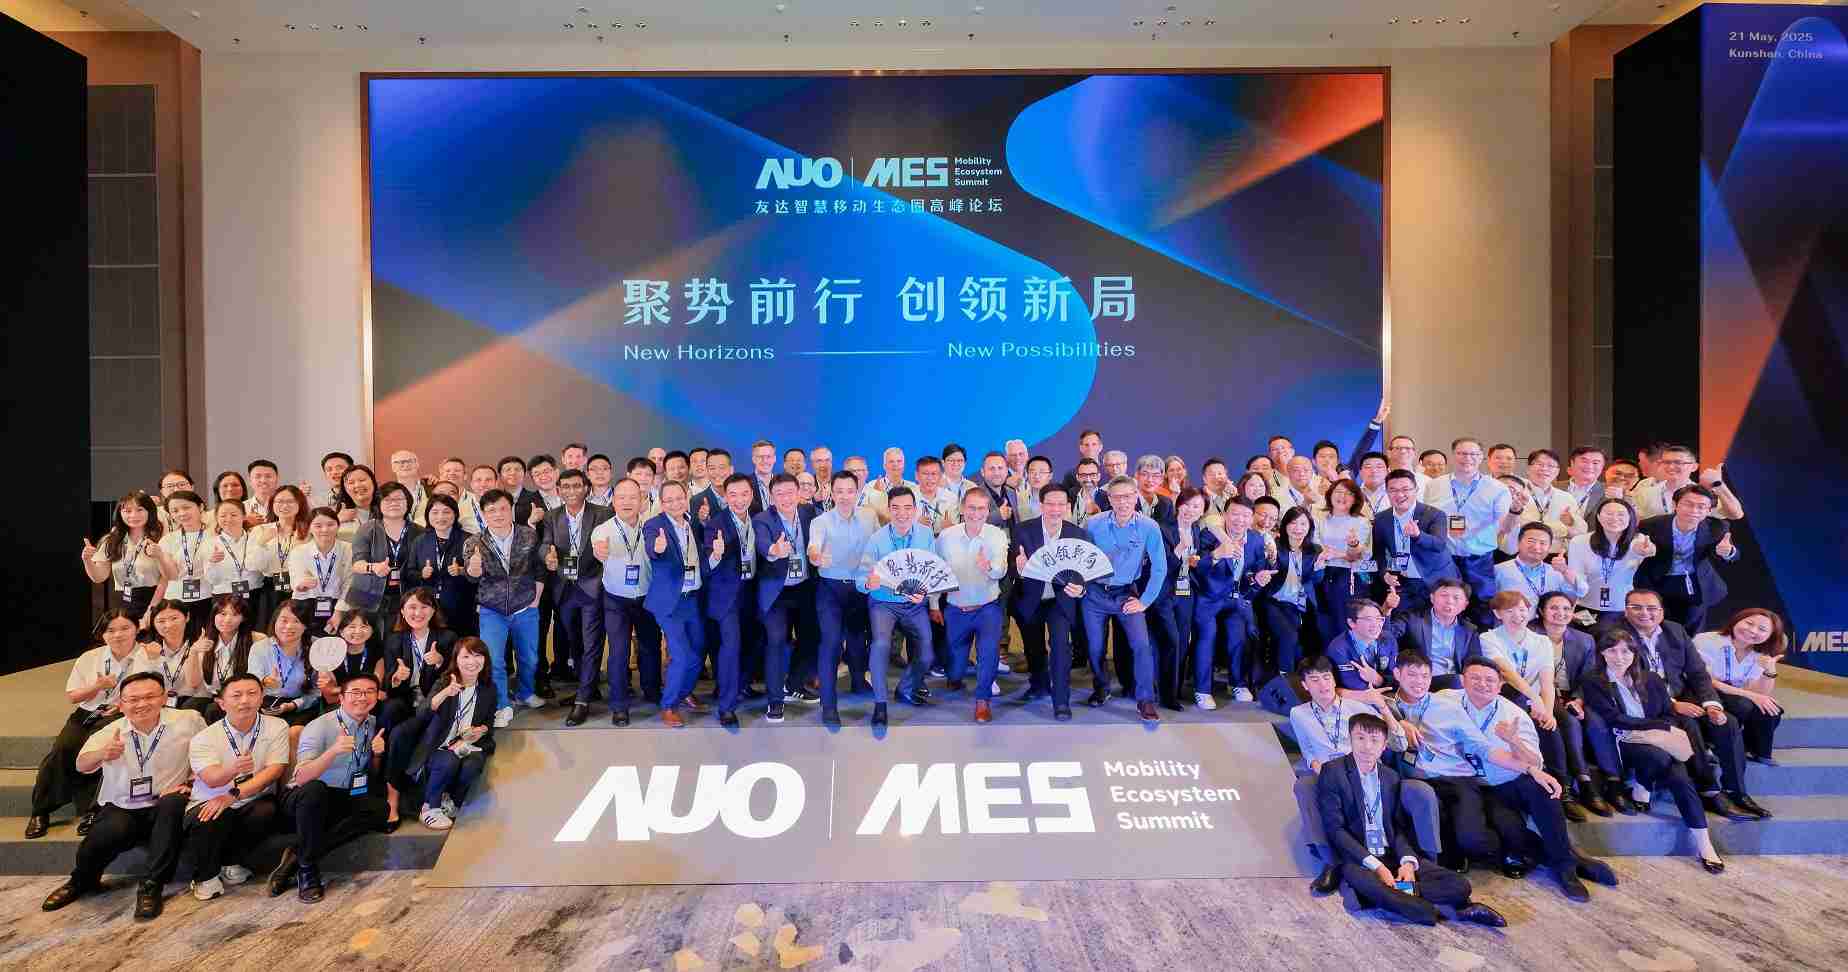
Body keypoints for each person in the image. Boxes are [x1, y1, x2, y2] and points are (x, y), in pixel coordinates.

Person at [1410, 658, 1618, 901]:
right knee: (1511, 831)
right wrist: (1403, 722)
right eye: (1475, 678)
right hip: (1473, 785)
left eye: (1490, 680)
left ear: (1500, 685)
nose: (1482, 684)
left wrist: (1513, 741)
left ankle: (1566, 868)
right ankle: (1574, 859)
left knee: (1543, 789)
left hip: (1508, 780)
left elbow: (1534, 761)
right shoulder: (1445, 699)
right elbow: (1411, 704)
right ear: (1463, 680)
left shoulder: (1513, 714)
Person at [39, 672, 205, 920]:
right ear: (121, 703)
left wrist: (191, 783)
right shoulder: (112, 731)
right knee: (109, 832)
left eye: (150, 697)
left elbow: (206, 752)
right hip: (124, 805)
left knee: (172, 805)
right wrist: (102, 754)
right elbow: (81, 765)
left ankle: (151, 886)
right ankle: (81, 880)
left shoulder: (188, 720)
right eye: (133, 699)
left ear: (164, 698)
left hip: (166, 800)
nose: (142, 704)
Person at [1314, 713, 1505, 926]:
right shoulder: (1333, 771)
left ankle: (1387, 897)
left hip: (1391, 853)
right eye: (1360, 738)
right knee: (1370, 884)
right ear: (1350, 739)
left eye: (1374, 740)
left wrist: (1406, 862)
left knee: (1460, 885)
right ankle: (1445, 910)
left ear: (1384, 746)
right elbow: (1336, 829)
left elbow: (1397, 828)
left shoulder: (1390, 777)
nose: (1367, 746)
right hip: (1359, 857)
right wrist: (1377, 867)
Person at [1608, 588, 1768, 819]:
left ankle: (1737, 792)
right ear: (1626, 611)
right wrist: (1671, 704)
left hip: (1682, 695)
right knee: (1687, 723)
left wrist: (1712, 705)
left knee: (1727, 723)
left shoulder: (1675, 630)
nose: (1645, 613)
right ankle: (1709, 791)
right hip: (1645, 702)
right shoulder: (1615, 633)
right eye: (1637, 607)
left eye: (1652, 608)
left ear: (1661, 611)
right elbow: (1627, 678)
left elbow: (1697, 673)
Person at [1579, 629, 1726, 873]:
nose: (1619, 657)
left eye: (1625, 651)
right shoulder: (1593, 681)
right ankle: (1644, 784)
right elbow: (1614, 718)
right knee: (1659, 757)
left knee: (1679, 777)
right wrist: (1657, 726)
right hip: (1623, 739)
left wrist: (1660, 727)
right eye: (1612, 651)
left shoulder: (1652, 679)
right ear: (1602, 653)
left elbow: (1668, 712)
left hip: (1656, 738)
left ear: (1634, 653)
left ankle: (1704, 844)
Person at [1286, 659, 1425, 892]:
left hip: (1365, 771)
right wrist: (1323, 771)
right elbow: (1308, 751)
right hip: (1329, 774)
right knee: (1305, 785)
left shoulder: (1357, 707)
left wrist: (1383, 709)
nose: (1323, 685)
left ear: (1334, 680)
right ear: (1305, 685)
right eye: (1315, 680)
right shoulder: (1298, 713)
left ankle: (1405, 860)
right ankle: (1331, 861)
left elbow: (1399, 744)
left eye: (1327, 677)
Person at [26, 611, 158, 839]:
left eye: (125, 628)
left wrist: (122, 705)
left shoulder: (147, 655)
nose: (118, 635)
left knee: (104, 750)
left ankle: (94, 811)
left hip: (124, 714)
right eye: (111, 630)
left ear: (137, 629)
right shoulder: (90, 658)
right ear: (102, 634)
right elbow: (73, 696)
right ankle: (40, 810)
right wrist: (97, 686)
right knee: (63, 748)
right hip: (88, 712)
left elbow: (154, 690)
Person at [272, 671, 390, 903]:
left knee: (380, 809)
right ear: (341, 697)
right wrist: (333, 751)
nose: (362, 697)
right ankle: (307, 869)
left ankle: (297, 855)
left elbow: (368, 771)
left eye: (369, 692)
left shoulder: (372, 723)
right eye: (355, 692)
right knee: (315, 790)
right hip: (303, 797)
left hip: (342, 793)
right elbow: (302, 777)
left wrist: (377, 755)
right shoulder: (320, 726)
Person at [183, 672, 290, 901]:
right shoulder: (204, 738)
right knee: (210, 814)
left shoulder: (277, 726)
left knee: (266, 810)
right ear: (221, 703)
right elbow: (212, 779)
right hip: (211, 798)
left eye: (252, 693)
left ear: (261, 697)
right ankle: (205, 876)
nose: (245, 700)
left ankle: (231, 862)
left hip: (251, 797)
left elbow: (275, 769)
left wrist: (235, 795)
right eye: (236, 695)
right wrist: (233, 769)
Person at [1476, 590, 1578, 817]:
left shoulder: (1541, 641)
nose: (1518, 615)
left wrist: (1547, 711)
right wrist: (1535, 700)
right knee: (1528, 711)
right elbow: (1507, 673)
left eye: (1522, 610)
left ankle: (1562, 788)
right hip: (1506, 696)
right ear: (1497, 614)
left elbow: (1547, 680)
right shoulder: (1489, 638)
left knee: (1552, 725)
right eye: (1509, 611)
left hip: (1537, 698)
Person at [1079, 476, 1169, 722]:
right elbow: (1081, 558)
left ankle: (1145, 699)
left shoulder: (1149, 526)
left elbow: (1160, 567)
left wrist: (1145, 601)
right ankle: (1101, 687)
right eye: (1117, 497)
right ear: (1109, 499)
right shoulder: (1093, 523)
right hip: (1095, 593)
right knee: (1095, 647)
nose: (1123, 502)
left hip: (1126, 594)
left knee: (1141, 645)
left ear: (1136, 497)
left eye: (1128, 496)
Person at [855, 486, 938, 726]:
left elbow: (932, 572)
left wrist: (924, 593)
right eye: (896, 508)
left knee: (927, 653)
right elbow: (861, 578)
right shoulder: (877, 539)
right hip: (883, 603)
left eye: (907, 508)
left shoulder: (926, 535)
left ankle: (906, 687)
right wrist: (868, 583)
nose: (902, 514)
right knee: (880, 644)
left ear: (915, 509)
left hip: (914, 605)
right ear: (889, 510)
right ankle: (880, 704)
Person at [464, 488, 545, 728]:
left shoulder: (528, 535)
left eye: (503, 509)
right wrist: (474, 569)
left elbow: (539, 569)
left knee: (530, 657)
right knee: (494, 660)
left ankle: (525, 692)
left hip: (525, 606)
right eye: (491, 510)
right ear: (483, 513)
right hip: (492, 609)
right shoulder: (474, 542)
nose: (498, 514)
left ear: (511, 510)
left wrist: (536, 599)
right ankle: (502, 705)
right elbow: (470, 577)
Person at [586, 477, 664, 726]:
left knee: (650, 646)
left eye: (633, 497)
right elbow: (598, 549)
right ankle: (619, 705)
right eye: (621, 497)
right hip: (616, 600)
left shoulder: (652, 527)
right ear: (613, 501)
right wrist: (600, 551)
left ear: (642, 501)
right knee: (619, 652)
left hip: (647, 597)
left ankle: (652, 691)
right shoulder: (603, 530)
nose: (627, 502)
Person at [1010, 483, 1089, 720]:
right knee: (1033, 647)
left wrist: (1081, 588)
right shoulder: (1023, 530)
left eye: (1060, 504)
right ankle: (1039, 684)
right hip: (1030, 597)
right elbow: (1011, 568)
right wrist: (1019, 569)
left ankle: (1061, 701)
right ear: (1041, 505)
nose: (1055, 509)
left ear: (1068, 507)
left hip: (1060, 600)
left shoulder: (1077, 534)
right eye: (1050, 504)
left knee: (1060, 646)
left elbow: (1084, 570)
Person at [541, 469, 612, 719]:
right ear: (558, 490)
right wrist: (547, 556)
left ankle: (582, 700)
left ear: (586, 488)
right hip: (564, 587)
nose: (571, 491)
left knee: (592, 642)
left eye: (576, 486)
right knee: (575, 642)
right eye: (566, 487)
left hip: (592, 586)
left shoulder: (603, 513)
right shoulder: (551, 516)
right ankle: (588, 688)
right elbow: (545, 543)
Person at [934, 488, 1010, 722]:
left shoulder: (996, 535)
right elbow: (936, 571)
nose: (976, 513)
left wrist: (988, 567)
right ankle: (955, 677)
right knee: (956, 665)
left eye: (981, 509)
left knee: (989, 652)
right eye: (971, 508)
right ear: (962, 509)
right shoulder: (946, 537)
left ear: (988, 511)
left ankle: (982, 700)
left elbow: (1001, 569)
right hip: (956, 609)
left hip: (988, 607)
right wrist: (934, 604)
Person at [406, 637, 497, 831]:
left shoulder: (488, 688)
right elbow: (422, 713)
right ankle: (429, 808)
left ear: (485, 660)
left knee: (473, 763)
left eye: (478, 656)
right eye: (466, 656)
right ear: (456, 660)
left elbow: (488, 723)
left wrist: (480, 731)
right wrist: (446, 693)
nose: (472, 662)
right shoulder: (445, 682)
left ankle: (452, 802)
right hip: (439, 746)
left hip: (466, 745)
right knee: (449, 760)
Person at [1534, 591, 1611, 816]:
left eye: (1566, 608)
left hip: (1571, 695)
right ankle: (1582, 781)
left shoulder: (1584, 639)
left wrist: (1579, 699)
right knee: (1568, 722)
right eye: (1554, 608)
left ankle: (1611, 781)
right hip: (1540, 694)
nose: (1561, 613)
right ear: (1541, 611)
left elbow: (1589, 676)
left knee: (1592, 718)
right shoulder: (1530, 634)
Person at [810, 471, 878, 723]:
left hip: (860, 588)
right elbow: (813, 547)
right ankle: (828, 705)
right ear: (831, 492)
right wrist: (817, 556)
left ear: (857, 492)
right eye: (839, 491)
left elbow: (879, 545)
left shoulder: (869, 517)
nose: (845, 496)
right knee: (830, 643)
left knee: (858, 640)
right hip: (830, 589)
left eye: (850, 491)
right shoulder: (821, 522)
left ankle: (858, 681)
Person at [1423, 438, 1516, 624]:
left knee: (1483, 609)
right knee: (1443, 607)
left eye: (1473, 454)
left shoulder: (1497, 488)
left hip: (1479, 558)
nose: (1468, 458)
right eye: (1462, 453)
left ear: (1481, 457)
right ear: (1453, 455)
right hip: (1444, 557)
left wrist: (1476, 532)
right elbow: (1427, 519)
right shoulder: (1434, 486)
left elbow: (1504, 526)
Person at [754, 473, 823, 720]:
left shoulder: (809, 513)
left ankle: (793, 684)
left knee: (812, 637)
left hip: (804, 588)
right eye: (779, 494)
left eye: (790, 492)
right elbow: (762, 544)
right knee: (776, 642)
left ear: (799, 493)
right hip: (777, 592)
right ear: (772, 497)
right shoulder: (762, 519)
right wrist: (775, 550)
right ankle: (775, 700)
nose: (785, 498)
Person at [643, 480, 710, 728]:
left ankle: (683, 692)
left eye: (679, 498)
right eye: (669, 500)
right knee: (681, 655)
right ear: (662, 503)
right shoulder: (654, 525)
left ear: (686, 498)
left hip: (692, 599)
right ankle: (669, 705)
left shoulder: (692, 523)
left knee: (698, 653)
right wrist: (657, 548)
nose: (675, 504)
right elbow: (652, 547)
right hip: (668, 603)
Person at [693, 474, 757, 728]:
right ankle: (727, 706)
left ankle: (740, 686)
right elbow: (706, 567)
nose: (739, 500)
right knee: (731, 647)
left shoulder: (759, 518)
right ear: (726, 497)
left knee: (753, 642)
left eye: (744, 494)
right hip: (726, 596)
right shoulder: (716, 524)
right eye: (733, 495)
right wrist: (716, 555)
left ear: (751, 495)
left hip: (753, 592)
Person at [1636, 485, 1739, 632]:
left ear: (1709, 510)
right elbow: (1636, 548)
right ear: (1675, 505)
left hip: (1695, 582)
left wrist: (1728, 552)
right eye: (1688, 504)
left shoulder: (1717, 527)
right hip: (1658, 580)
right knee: (1654, 627)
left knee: (1691, 630)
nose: (1694, 511)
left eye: (1701, 507)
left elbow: (1733, 554)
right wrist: (1640, 550)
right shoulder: (1651, 525)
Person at [1194, 498, 1267, 704]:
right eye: (1235, 514)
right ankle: (1202, 690)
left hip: (1237, 598)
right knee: (1207, 638)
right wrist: (1217, 554)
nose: (1239, 519)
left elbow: (1254, 570)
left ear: (1251, 518)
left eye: (1245, 515)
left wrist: (1257, 579)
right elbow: (1197, 569)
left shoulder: (1256, 539)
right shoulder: (1209, 535)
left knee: (1238, 639)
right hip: (1209, 597)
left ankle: (1238, 684)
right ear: (1225, 515)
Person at [1694, 609, 1787, 765]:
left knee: (1771, 709)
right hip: (1703, 691)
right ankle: (1712, 744)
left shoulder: (1761, 653)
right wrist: (1751, 696)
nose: (1753, 630)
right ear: (1737, 620)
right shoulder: (1706, 640)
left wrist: (1769, 671)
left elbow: (1759, 692)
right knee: (1743, 705)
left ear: (1770, 636)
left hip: (1733, 693)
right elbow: (1706, 680)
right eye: (1749, 623)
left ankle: (1754, 749)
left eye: (1762, 629)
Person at [1373, 469, 1457, 618]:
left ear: (1416, 490)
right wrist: (1384, 573)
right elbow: (1379, 552)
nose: (1400, 495)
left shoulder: (1434, 514)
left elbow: (1439, 545)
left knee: (1436, 623)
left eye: (1405, 489)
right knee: (1403, 624)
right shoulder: (1381, 518)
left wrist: (1418, 535)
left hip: (1436, 581)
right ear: (1387, 492)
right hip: (1404, 582)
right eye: (1393, 490)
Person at [1566, 497, 1654, 624]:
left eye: (1621, 514)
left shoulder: (1638, 540)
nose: (1614, 518)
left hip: (1622, 608)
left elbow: (1649, 549)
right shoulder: (1579, 542)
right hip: (1586, 606)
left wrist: (1646, 551)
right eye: (1609, 514)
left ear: (1630, 518)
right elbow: (1576, 579)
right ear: (1598, 517)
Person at [347, 481, 420, 633]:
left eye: (399, 499)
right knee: (369, 639)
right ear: (379, 504)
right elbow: (356, 563)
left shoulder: (419, 531)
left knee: (397, 640)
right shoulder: (368, 528)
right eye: (387, 499)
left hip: (406, 597)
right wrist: (373, 567)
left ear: (408, 502)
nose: (393, 503)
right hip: (368, 595)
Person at [1257, 507, 1321, 680]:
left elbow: (1315, 581)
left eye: (1303, 524)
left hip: (1298, 604)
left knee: (1298, 642)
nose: (1298, 528)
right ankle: (1287, 681)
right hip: (1275, 601)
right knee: (1288, 635)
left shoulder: (1314, 550)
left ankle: (1283, 677)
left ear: (1310, 527)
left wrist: (1318, 568)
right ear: (1285, 525)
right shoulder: (1275, 546)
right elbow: (1267, 569)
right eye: (1293, 523)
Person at [1384, 578, 1479, 691]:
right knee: (1456, 681)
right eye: (1444, 595)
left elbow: (1474, 663)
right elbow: (1386, 636)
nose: (1449, 601)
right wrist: (1387, 609)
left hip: (1457, 686)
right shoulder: (1412, 619)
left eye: (1456, 597)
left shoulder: (1469, 630)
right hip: (1421, 681)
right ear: (1432, 598)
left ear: (1465, 605)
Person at [84, 491, 165, 623]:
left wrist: (151, 610)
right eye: (127, 511)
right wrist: (87, 560)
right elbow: (99, 577)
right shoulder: (111, 540)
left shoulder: (161, 538)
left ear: (150, 512)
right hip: (125, 600)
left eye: (140, 510)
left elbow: (166, 578)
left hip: (156, 601)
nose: (133, 515)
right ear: (120, 513)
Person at [180, 595, 265, 722]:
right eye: (222, 614)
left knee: (213, 710)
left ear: (243, 618)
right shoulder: (205, 641)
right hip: (213, 695)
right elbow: (193, 683)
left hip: (241, 696)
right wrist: (193, 651)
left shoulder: (257, 640)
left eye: (235, 614)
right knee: (190, 707)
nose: (227, 619)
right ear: (214, 616)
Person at [403, 493, 476, 635]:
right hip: (428, 608)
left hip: (461, 607)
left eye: (446, 512)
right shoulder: (420, 541)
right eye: (435, 512)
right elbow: (409, 573)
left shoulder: (468, 540)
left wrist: (462, 570)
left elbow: (479, 575)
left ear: (455, 514)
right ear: (428, 515)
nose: (440, 517)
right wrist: (422, 574)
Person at [1314, 479, 1375, 645]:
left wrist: (1340, 552)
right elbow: (1315, 547)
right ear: (1330, 495)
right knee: (1324, 622)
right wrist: (1341, 554)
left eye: (1349, 493)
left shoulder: (1361, 522)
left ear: (1355, 499)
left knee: (1345, 621)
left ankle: (1347, 656)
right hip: (1321, 574)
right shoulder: (1320, 519)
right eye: (1339, 492)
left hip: (1348, 577)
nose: (1343, 496)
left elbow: (1361, 555)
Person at [247, 598, 320, 728]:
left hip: (300, 705)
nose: (289, 626)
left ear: (305, 626)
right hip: (267, 703)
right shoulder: (260, 648)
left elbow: (317, 692)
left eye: (296, 621)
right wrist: (265, 682)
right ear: (275, 621)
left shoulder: (316, 647)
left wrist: (293, 705)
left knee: (295, 732)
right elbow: (252, 681)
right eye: (284, 620)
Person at [152, 489, 217, 631]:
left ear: (200, 507)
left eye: (186, 507)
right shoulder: (168, 540)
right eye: (175, 511)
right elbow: (170, 576)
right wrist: (160, 557)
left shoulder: (215, 536)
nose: (181, 513)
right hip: (175, 601)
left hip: (208, 598)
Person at [287, 507, 353, 633]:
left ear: (338, 526)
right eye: (318, 526)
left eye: (330, 524)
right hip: (305, 604)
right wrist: (301, 585)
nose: (325, 530)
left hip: (339, 606)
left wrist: (339, 612)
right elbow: (296, 579)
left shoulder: (348, 549)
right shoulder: (299, 551)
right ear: (309, 528)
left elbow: (350, 583)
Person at [1494, 522, 1589, 604]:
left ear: (1549, 547)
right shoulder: (1499, 570)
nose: (1537, 547)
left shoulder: (1557, 572)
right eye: (1531, 541)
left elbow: (1582, 591)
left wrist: (1565, 571)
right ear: (1518, 543)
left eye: (1543, 543)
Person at [1325, 597, 1397, 694]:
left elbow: (1396, 677)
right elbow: (1356, 687)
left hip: (1387, 693)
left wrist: (1378, 679)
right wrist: (1382, 682)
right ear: (1351, 623)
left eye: (1379, 619)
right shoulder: (1338, 649)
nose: (1376, 624)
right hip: (1354, 699)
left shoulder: (1388, 639)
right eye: (1368, 619)